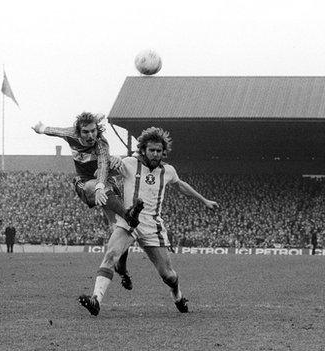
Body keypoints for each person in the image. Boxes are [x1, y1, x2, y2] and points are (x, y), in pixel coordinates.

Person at [78, 127, 219, 316]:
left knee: (168, 275)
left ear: (163, 152)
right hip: (129, 222)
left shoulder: (168, 171)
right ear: (143, 149)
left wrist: (204, 200)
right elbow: (102, 169)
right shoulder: (128, 163)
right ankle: (96, 300)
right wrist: (107, 165)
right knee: (111, 255)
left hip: (153, 228)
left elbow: (181, 186)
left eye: (159, 151)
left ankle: (177, 296)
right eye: (151, 150)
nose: (155, 154)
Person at [32, 112, 144, 289]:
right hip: (85, 183)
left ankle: (122, 270)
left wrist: (106, 176)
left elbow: (102, 167)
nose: (91, 135)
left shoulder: (101, 143)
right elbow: (55, 131)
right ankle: (129, 214)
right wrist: (41, 129)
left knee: (119, 229)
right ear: (79, 131)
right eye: (86, 132)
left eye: (93, 131)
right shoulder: (71, 135)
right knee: (95, 187)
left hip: (104, 181)